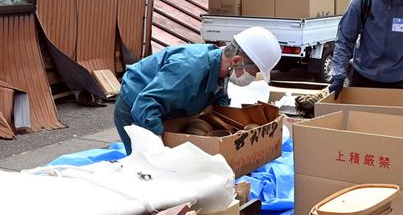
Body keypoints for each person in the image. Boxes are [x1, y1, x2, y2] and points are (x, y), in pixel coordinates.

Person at [113, 26, 280, 154]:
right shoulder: (188, 69)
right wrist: (159, 143)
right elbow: (145, 105)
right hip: (135, 108)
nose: (252, 77)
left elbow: (218, 102)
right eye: (253, 71)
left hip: (165, 106)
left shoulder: (223, 71)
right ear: (236, 61)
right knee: (145, 168)